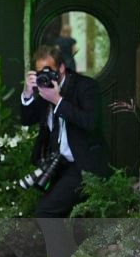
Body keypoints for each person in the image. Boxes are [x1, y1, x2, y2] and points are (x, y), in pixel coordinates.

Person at [21, 45, 108, 218]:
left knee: (45, 212)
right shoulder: (44, 90)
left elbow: (90, 122)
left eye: (49, 70)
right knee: (57, 213)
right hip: (57, 164)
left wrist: (58, 100)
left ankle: (61, 247)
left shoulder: (85, 86)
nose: (45, 76)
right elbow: (27, 120)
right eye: (40, 72)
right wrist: (27, 93)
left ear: (61, 68)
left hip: (83, 165)